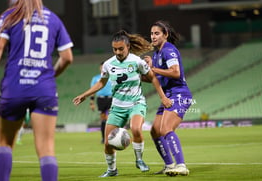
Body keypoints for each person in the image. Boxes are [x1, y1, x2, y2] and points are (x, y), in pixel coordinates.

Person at [73, 30, 172, 177]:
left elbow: (152, 78)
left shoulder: (137, 61)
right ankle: (112, 170)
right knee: (108, 142)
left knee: (136, 129)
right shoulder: (108, 64)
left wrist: (163, 97)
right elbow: (101, 82)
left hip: (136, 103)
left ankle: (139, 160)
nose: (118, 52)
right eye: (115, 49)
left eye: (121, 49)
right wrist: (85, 95)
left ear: (127, 47)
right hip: (117, 107)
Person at [0, 0, 74, 180]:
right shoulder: (53, 19)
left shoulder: (9, 16)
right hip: (43, 88)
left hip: (15, 86)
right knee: (46, 149)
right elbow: (67, 58)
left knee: (5, 143)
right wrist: (50, 76)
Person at [144, 20, 192, 177]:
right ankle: (169, 165)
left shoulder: (168, 50)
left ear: (165, 35)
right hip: (169, 94)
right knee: (155, 131)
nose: (153, 36)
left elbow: (175, 72)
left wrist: (154, 68)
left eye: (157, 33)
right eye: (152, 33)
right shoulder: (157, 53)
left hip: (179, 93)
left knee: (165, 129)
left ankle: (181, 165)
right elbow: (155, 76)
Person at [89, 61, 112, 144]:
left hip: (110, 99)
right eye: (102, 67)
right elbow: (92, 90)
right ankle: (103, 138)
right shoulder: (96, 78)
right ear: (100, 68)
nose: (103, 68)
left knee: (110, 119)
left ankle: (111, 137)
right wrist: (91, 102)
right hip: (100, 99)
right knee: (103, 119)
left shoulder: (111, 77)